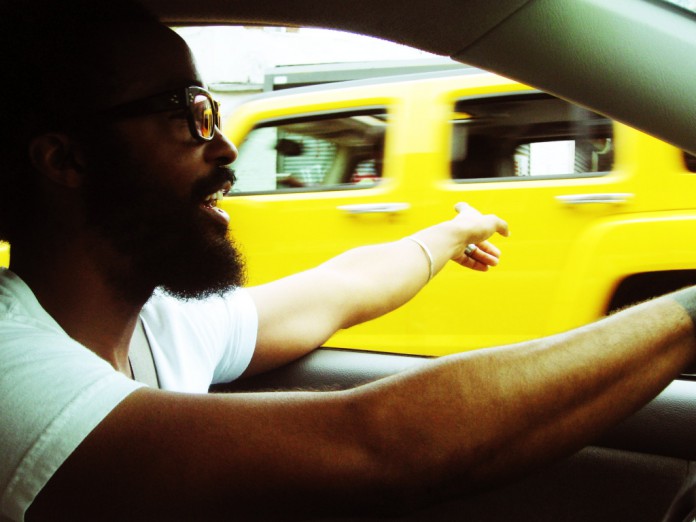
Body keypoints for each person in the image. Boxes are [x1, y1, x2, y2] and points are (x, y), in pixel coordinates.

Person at [0, 1, 695, 520]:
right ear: (67, 160)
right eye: (187, 115)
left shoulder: (157, 323)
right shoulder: (11, 369)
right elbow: (380, 446)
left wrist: (446, 235)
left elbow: (340, 287)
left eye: (212, 110)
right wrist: (689, 315)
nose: (224, 148)